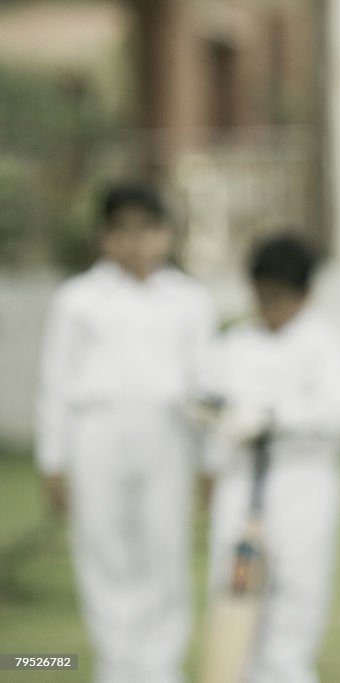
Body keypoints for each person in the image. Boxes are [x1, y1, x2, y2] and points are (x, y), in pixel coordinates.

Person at [36, 181, 217, 683]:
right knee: (103, 547)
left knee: (165, 547)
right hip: (98, 433)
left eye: (148, 230)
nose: (137, 244)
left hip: (167, 435)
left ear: (166, 235)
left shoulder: (188, 300)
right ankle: (118, 664)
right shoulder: (78, 300)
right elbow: (55, 383)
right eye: (124, 231)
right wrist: (53, 461)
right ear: (105, 237)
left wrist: (210, 461)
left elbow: (206, 386)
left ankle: (161, 665)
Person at [200, 233, 340, 683]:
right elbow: (213, 410)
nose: (268, 307)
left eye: (278, 298)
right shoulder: (235, 345)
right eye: (261, 296)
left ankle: (287, 672)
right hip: (241, 480)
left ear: (304, 295)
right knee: (234, 590)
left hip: (301, 482)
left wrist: (274, 417)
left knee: (297, 592)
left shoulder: (322, 344)